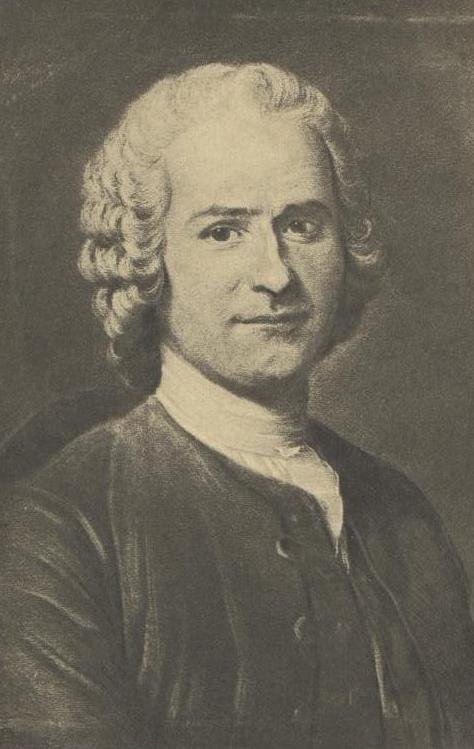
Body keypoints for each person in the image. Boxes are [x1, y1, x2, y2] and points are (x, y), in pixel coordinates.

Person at [0, 62, 473, 749]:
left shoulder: (404, 520)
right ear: (146, 258)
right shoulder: (61, 528)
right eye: (224, 231)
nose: (275, 275)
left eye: (302, 225)